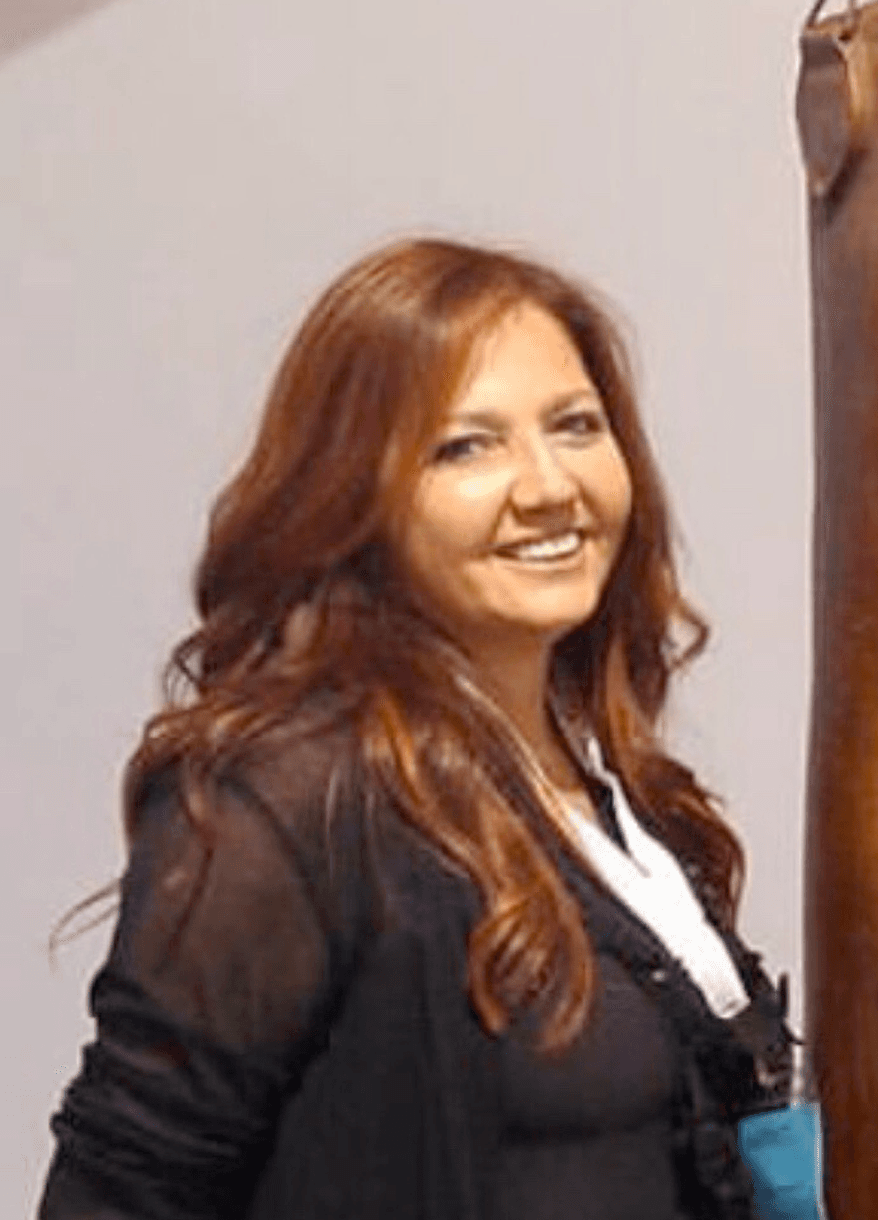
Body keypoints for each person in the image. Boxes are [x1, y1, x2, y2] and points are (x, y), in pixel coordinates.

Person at [40, 237, 793, 1220]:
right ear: (355, 495)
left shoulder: (623, 796)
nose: (548, 486)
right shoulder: (290, 800)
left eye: (575, 425)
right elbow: (118, 1193)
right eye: (465, 446)